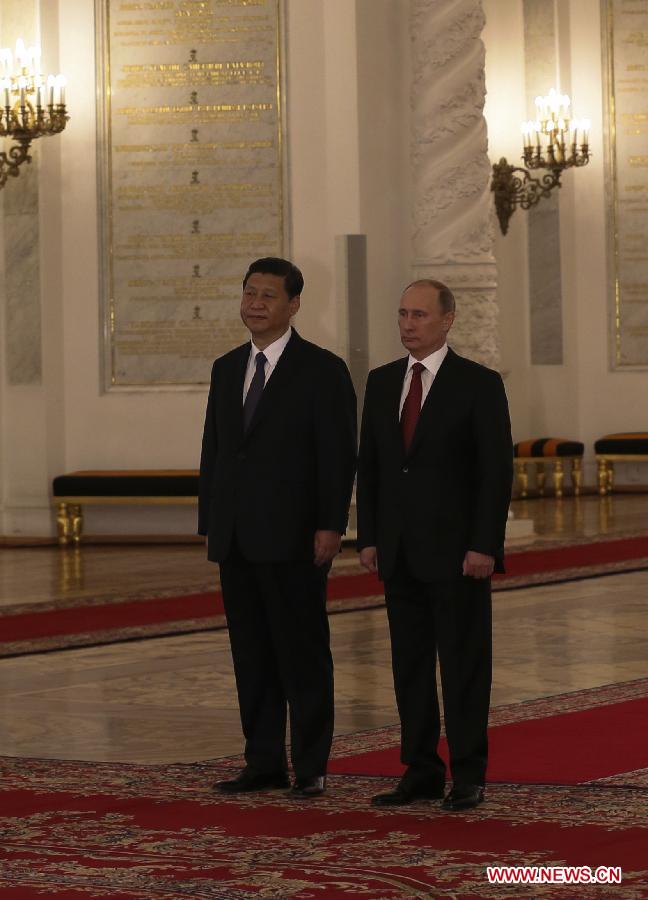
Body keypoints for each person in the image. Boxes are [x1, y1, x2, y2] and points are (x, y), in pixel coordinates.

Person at [198, 257, 357, 799]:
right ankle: (263, 761)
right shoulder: (226, 368)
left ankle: (310, 764)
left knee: (302, 652)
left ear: (293, 305)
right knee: (252, 654)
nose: (256, 303)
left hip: (294, 537)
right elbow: (216, 452)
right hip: (237, 537)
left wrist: (331, 524)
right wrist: (211, 522)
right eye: (249, 293)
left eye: (268, 295)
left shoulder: (322, 369)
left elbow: (338, 456)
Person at [356, 279, 512, 811]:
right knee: (410, 667)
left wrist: (484, 545)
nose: (407, 324)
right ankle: (419, 770)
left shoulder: (478, 383)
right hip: (399, 553)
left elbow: (495, 472)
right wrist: (370, 536)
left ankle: (468, 774)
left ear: (447, 320)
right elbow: (373, 467)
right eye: (402, 313)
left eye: (419, 315)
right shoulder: (380, 383)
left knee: (464, 665)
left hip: (458, 554)